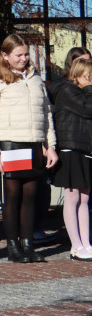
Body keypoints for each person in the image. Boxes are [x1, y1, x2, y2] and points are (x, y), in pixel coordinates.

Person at [0, 33, 58, 263]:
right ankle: (13, 246)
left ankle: (28, 244)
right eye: (18, 55)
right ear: (5, 55)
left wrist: (51, 145)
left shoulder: (36, 79)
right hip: (11, 143)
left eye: (26, 54)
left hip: (34, 143)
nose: (24, 58)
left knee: (31, 196)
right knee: (13, 195)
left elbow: (46, 114)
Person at [46, 57, 92, 260]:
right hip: (70, 148)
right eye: (88, 76)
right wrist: (89, 88)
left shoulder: (84, 92)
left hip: (85, 149)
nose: (91, 80)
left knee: (85, 198)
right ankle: (76, 245)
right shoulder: (67, 90)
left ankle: (86, 242)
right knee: (72, 197)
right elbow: (86, 108)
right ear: (78, 74)